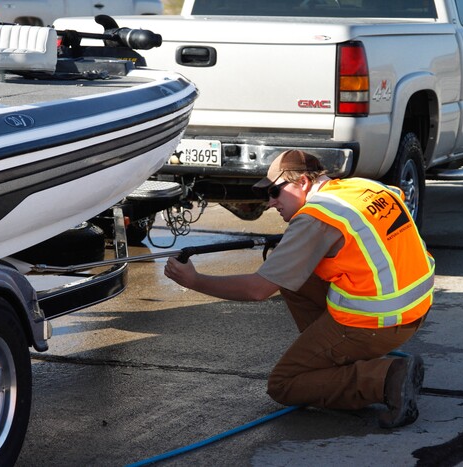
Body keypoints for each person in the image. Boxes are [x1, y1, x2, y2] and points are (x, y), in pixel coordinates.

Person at [164, 149, 434, 428]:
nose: (269, 203)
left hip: (377, 321)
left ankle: (385, 378)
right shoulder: (364, 186)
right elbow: (393, 199)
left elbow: (258, 289)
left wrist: (194, 281)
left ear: (304, 182)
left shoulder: (317, 217)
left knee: (284, 384)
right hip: (415, 308)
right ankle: (335, 359)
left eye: (275, 192)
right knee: (292, 276)